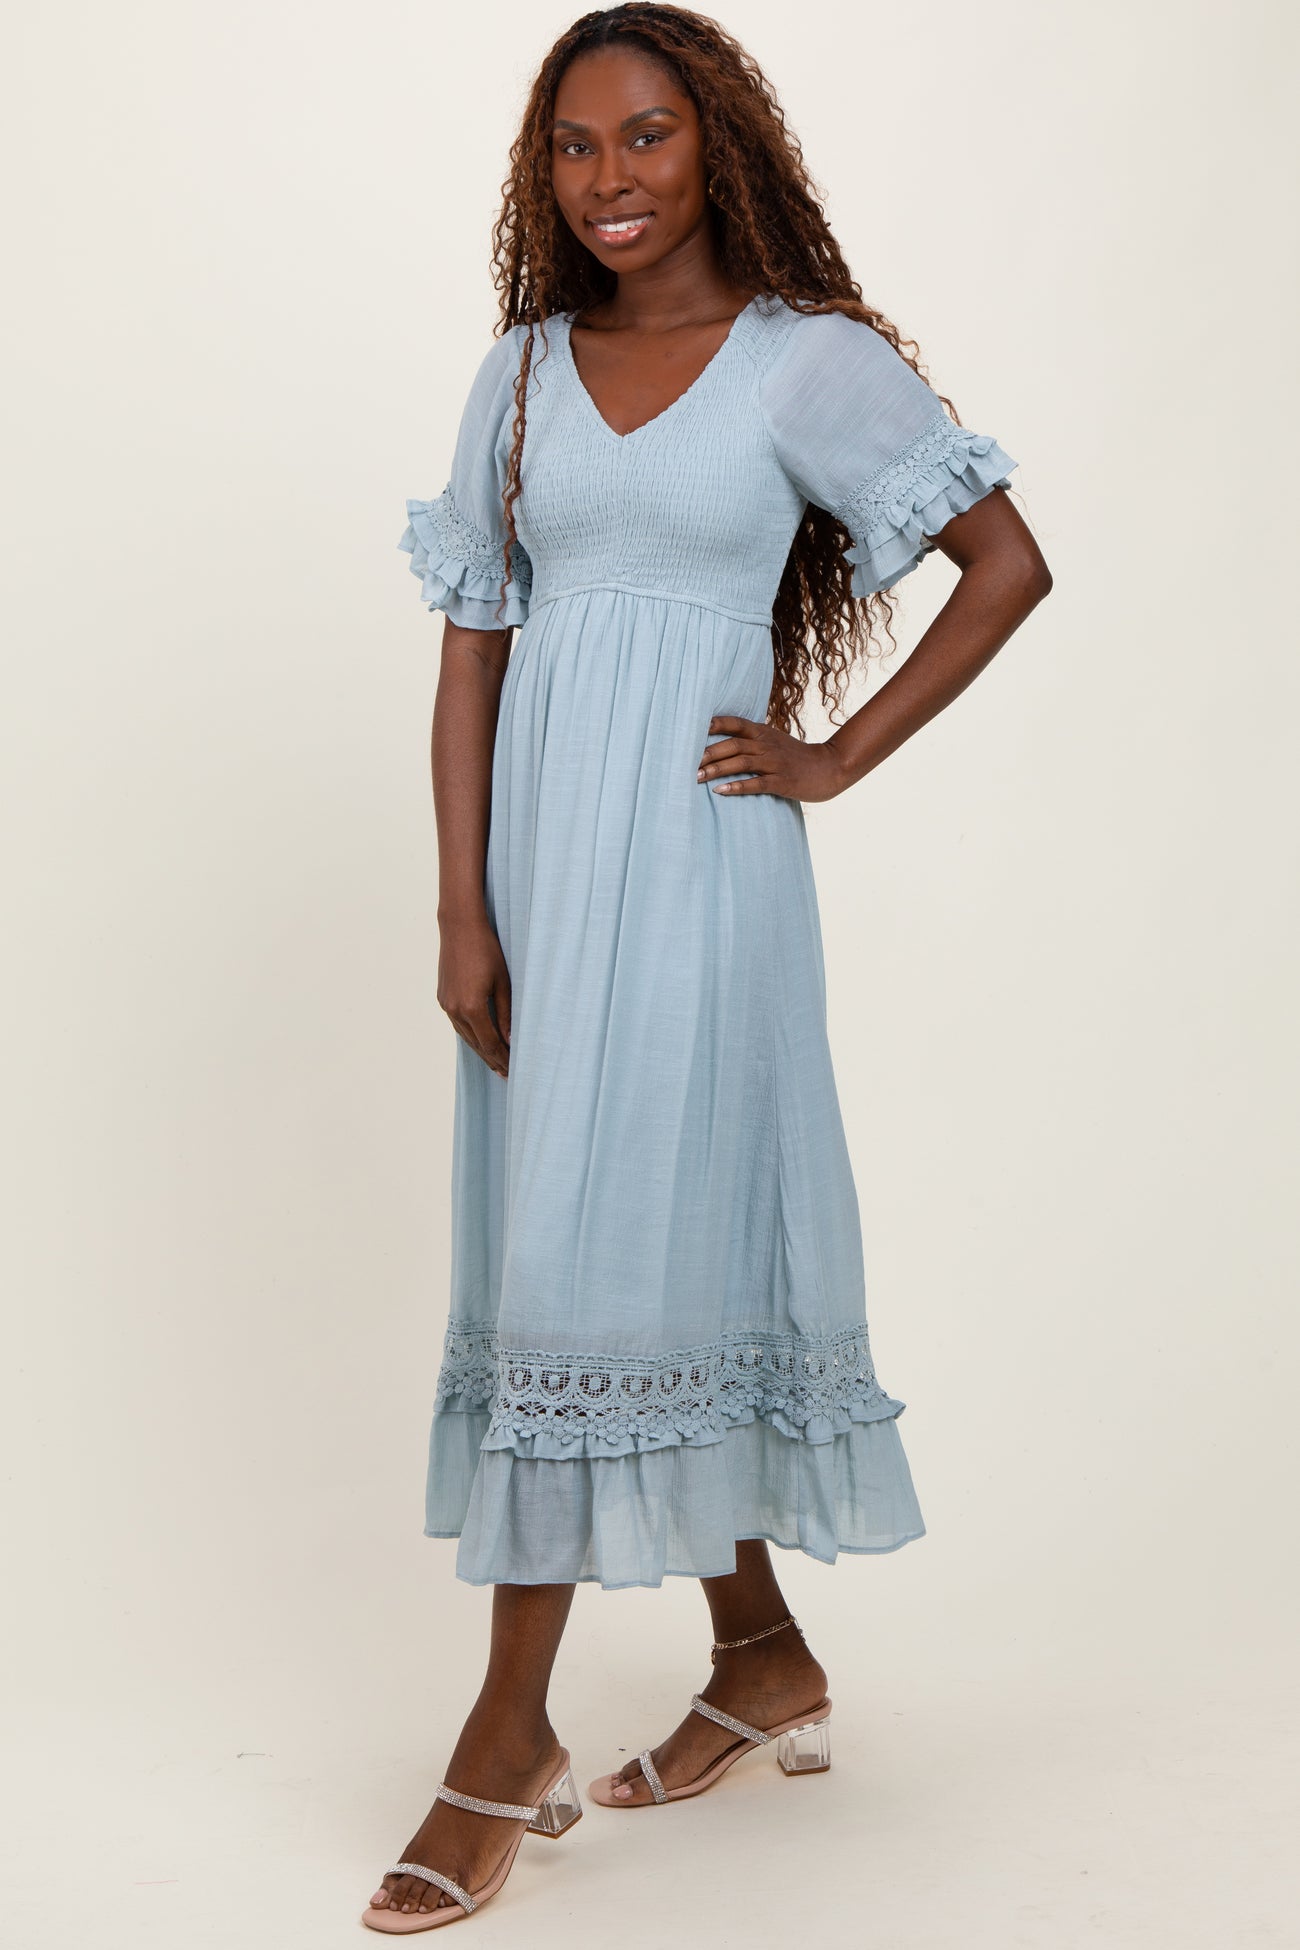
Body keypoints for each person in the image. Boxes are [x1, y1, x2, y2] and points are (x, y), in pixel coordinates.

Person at [371, 2, 1052, 1930]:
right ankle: (762, 1655)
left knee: (606, 1250)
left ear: (718, 144)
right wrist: (461, 909)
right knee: (589, 1252)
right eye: (575, 145)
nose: (612, 179)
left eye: (649, 136)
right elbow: (473, 650)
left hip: (702, 873)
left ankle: (506, 1732)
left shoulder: (803, 362)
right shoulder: (518, 377)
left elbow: (1005, 562)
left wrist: (833, 754)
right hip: (538, 876)